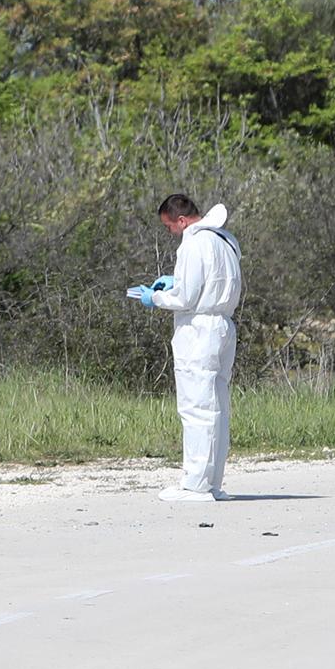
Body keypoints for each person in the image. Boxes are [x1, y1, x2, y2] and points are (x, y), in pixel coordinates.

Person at [125, 194, 243, 502]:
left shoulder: (193, 243)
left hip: (199, 329)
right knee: (217, 407)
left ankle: (196, 485)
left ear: (181, 220)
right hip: (223, 326)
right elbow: (208, 283)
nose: (171, 233)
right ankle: (212, 482)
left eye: (169, 226)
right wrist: (175, 281)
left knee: (195, 407)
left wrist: (157, 297)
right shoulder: (225, 240)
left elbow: (187, 297)